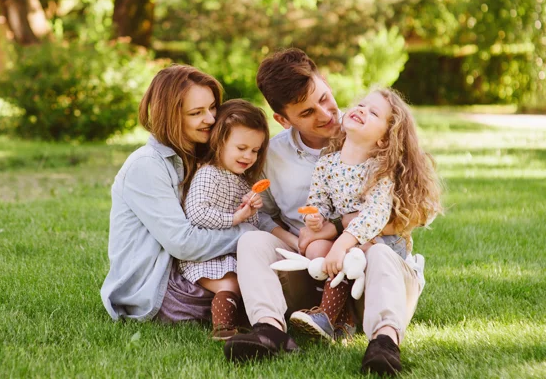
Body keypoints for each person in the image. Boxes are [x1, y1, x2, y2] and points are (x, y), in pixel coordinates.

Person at [224, 49, 432, 376]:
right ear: (283, 119)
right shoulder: (272, 155)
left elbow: (421, 210)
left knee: (377, 254)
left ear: (326, 82)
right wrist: (298, 239)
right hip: (313, 269)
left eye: (324, 97)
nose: (326, 114)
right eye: (307, 112)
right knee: (251, 241)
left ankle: (385, 342)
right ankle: (269, 329)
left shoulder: (377, 127)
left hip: (375, 272)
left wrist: (339, 231)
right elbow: (262, 214)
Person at [289, 89, 442, 375]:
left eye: (374, 113)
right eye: (361, 105)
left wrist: (342, 243)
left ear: (384, 138)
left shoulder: (379, 170)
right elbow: (319, 201)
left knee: (357, 253)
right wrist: (316, 218)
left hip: (380, 250)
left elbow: (375, 215)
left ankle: (373, 336)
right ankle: (339, 317)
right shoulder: (327, 164)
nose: (361, 110)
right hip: (350, 247)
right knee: (315, 250)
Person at [100, 65, 255, 324]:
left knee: (264, 277)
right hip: (158, 286)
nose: (211, 119)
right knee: (251, 288)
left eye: (212, 107)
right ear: (170, 117)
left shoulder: (201, 156)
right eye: (196, 113)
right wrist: (249, 235)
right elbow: (183, 243)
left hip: (193, 268)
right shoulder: (147, 165)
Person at [177, 99, 272, 340]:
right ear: (220, 142)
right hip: (206, 255)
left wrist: (250, 211)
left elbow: (251, 228)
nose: (248, 156)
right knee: (230, 284)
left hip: (228, 253)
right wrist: (235, 218)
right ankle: (222, 328)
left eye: (255, 150)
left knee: (251, 279)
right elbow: (196, 213)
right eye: (241, 148)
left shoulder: (240, 180)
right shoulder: (209, 173)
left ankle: (251, 319)